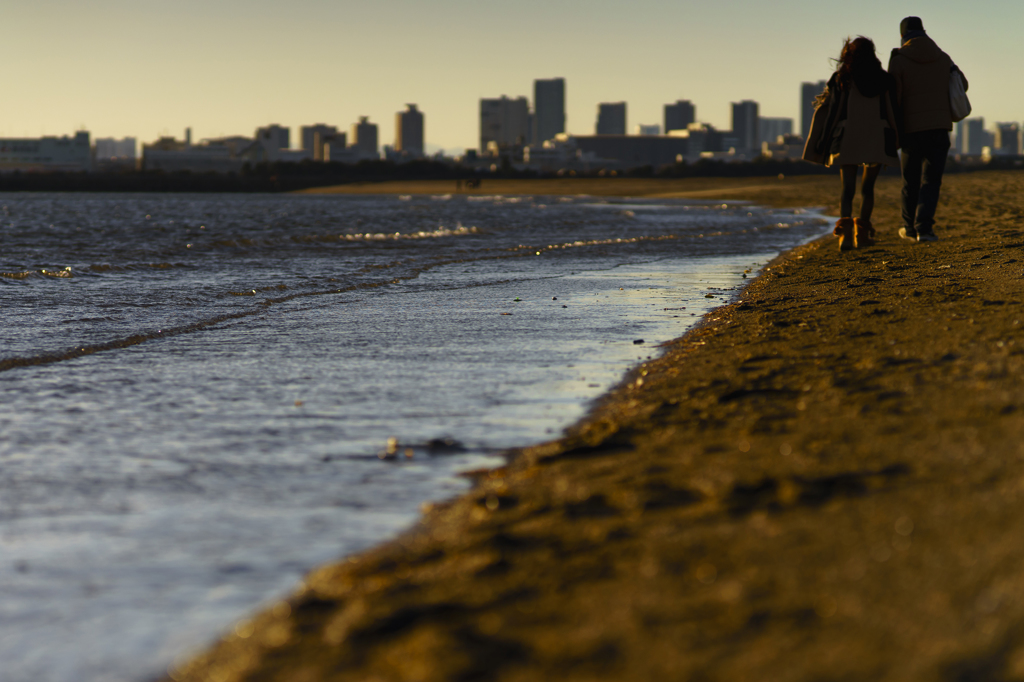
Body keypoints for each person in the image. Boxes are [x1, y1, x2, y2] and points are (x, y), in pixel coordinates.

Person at [803, 37, 901, 251]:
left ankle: (845, 237)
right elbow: (891, 110)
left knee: (847, 188)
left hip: (847, 136)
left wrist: (823, 140)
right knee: (868, 188)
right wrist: (895, 137)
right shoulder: (883, 78)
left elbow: (833, 113)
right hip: (877, 135)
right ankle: (862, 236)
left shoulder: (842, 78)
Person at [888, 16, 967, 242]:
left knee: (910, 182)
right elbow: (963, 84)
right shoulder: (943, 57)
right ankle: (925, 228)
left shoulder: (899, 59)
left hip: (911, 130)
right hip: (939, 128)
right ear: (924, 31)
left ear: (903, 36)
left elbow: (895, 97)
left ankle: (909, 228)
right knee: (932, 180)